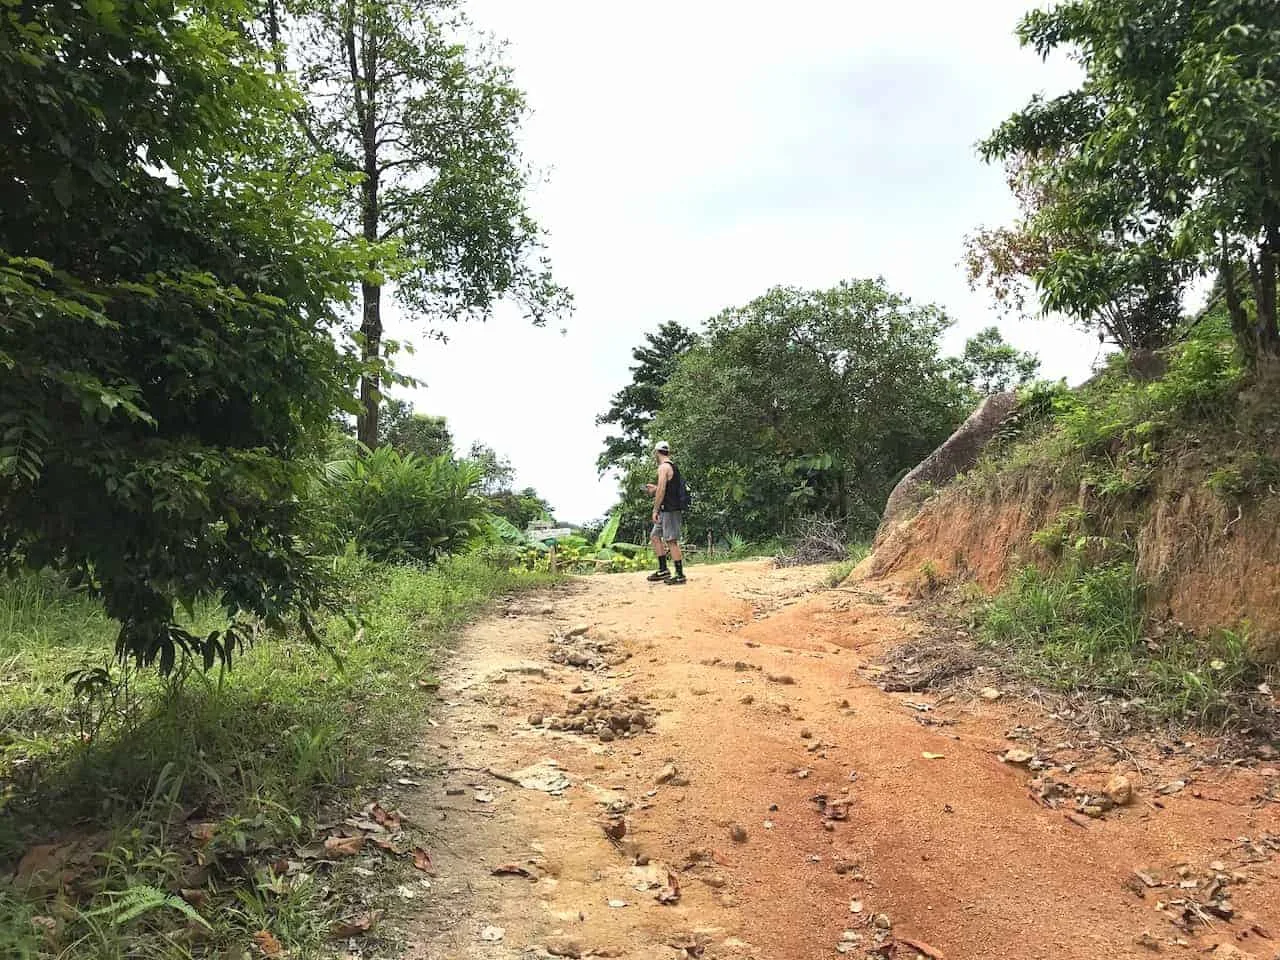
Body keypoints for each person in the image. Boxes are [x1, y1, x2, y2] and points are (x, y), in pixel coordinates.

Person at [645, 441, 687, 585]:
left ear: (656, 452)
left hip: (669, 509)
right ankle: (663, 569)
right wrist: (655, 488)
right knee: (655, 536)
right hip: (667, 508)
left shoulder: (663, 467)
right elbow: (667, 488)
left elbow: (662, 490)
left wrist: (655, 509)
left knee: (671, 540)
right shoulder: (671, 466)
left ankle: (680, 574)